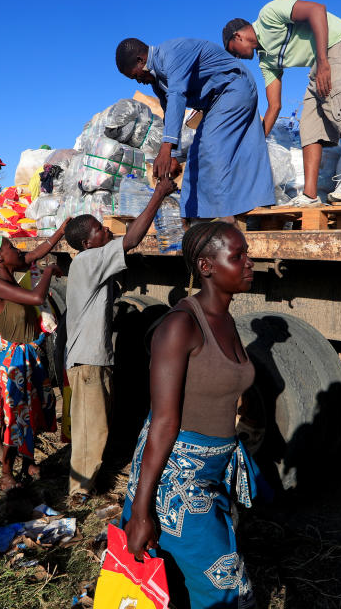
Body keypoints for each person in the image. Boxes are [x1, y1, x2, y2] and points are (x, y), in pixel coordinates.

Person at [122, 221, 258, 609]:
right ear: (206, 266)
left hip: (211, 474)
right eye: (238, 256)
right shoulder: (180, 326)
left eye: (247, 253)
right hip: (176, 483)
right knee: (226, 589)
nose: (250, 262)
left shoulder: (227, 320)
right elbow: (163, 422)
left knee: (178, 587)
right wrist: (141, 512)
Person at [63, 176, 177, 503]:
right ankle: (78, 492)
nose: (107, 231)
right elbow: (132, 239)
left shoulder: (87, 261)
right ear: (87, 242)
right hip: (88, 361)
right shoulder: (89, 260)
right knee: (91, 429)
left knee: (94, 424)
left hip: (90, 358)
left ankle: (87, 483)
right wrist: (158, 194)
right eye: (100, 229)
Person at [224, 0, 341, 206]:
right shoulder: (265, 60)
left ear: (237, 35)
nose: (237, 57)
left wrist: (323, 62)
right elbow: (274, 106)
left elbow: (317, 10)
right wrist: (257, 140)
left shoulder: (268, 14)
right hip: (319, 62)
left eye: (234, 50)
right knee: (309, 125)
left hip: (338, 44)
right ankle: (310, 196)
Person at [115, 37, 274, 220]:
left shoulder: (171, 55)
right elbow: (170, 112)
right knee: (198, 155)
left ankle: (224, 215)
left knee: (210, 149)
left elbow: (177, 96)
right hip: (215, 102)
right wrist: (172, 156)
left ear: (141, 60)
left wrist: (167, 148)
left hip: (233, 87)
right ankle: (198, 218)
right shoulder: (157, 81)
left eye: (135, 75)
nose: (138, 81)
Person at [0, 221, 67, 467]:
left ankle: (28, 460)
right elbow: (36, 297)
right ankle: (6, 474)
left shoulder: (8, 279)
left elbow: (33, 254)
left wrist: (61, 231)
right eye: (11, 247)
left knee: (31, 410)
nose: (18, 249)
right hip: (16, 358)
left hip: (26, 353)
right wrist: (48, 271)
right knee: (15, 415)